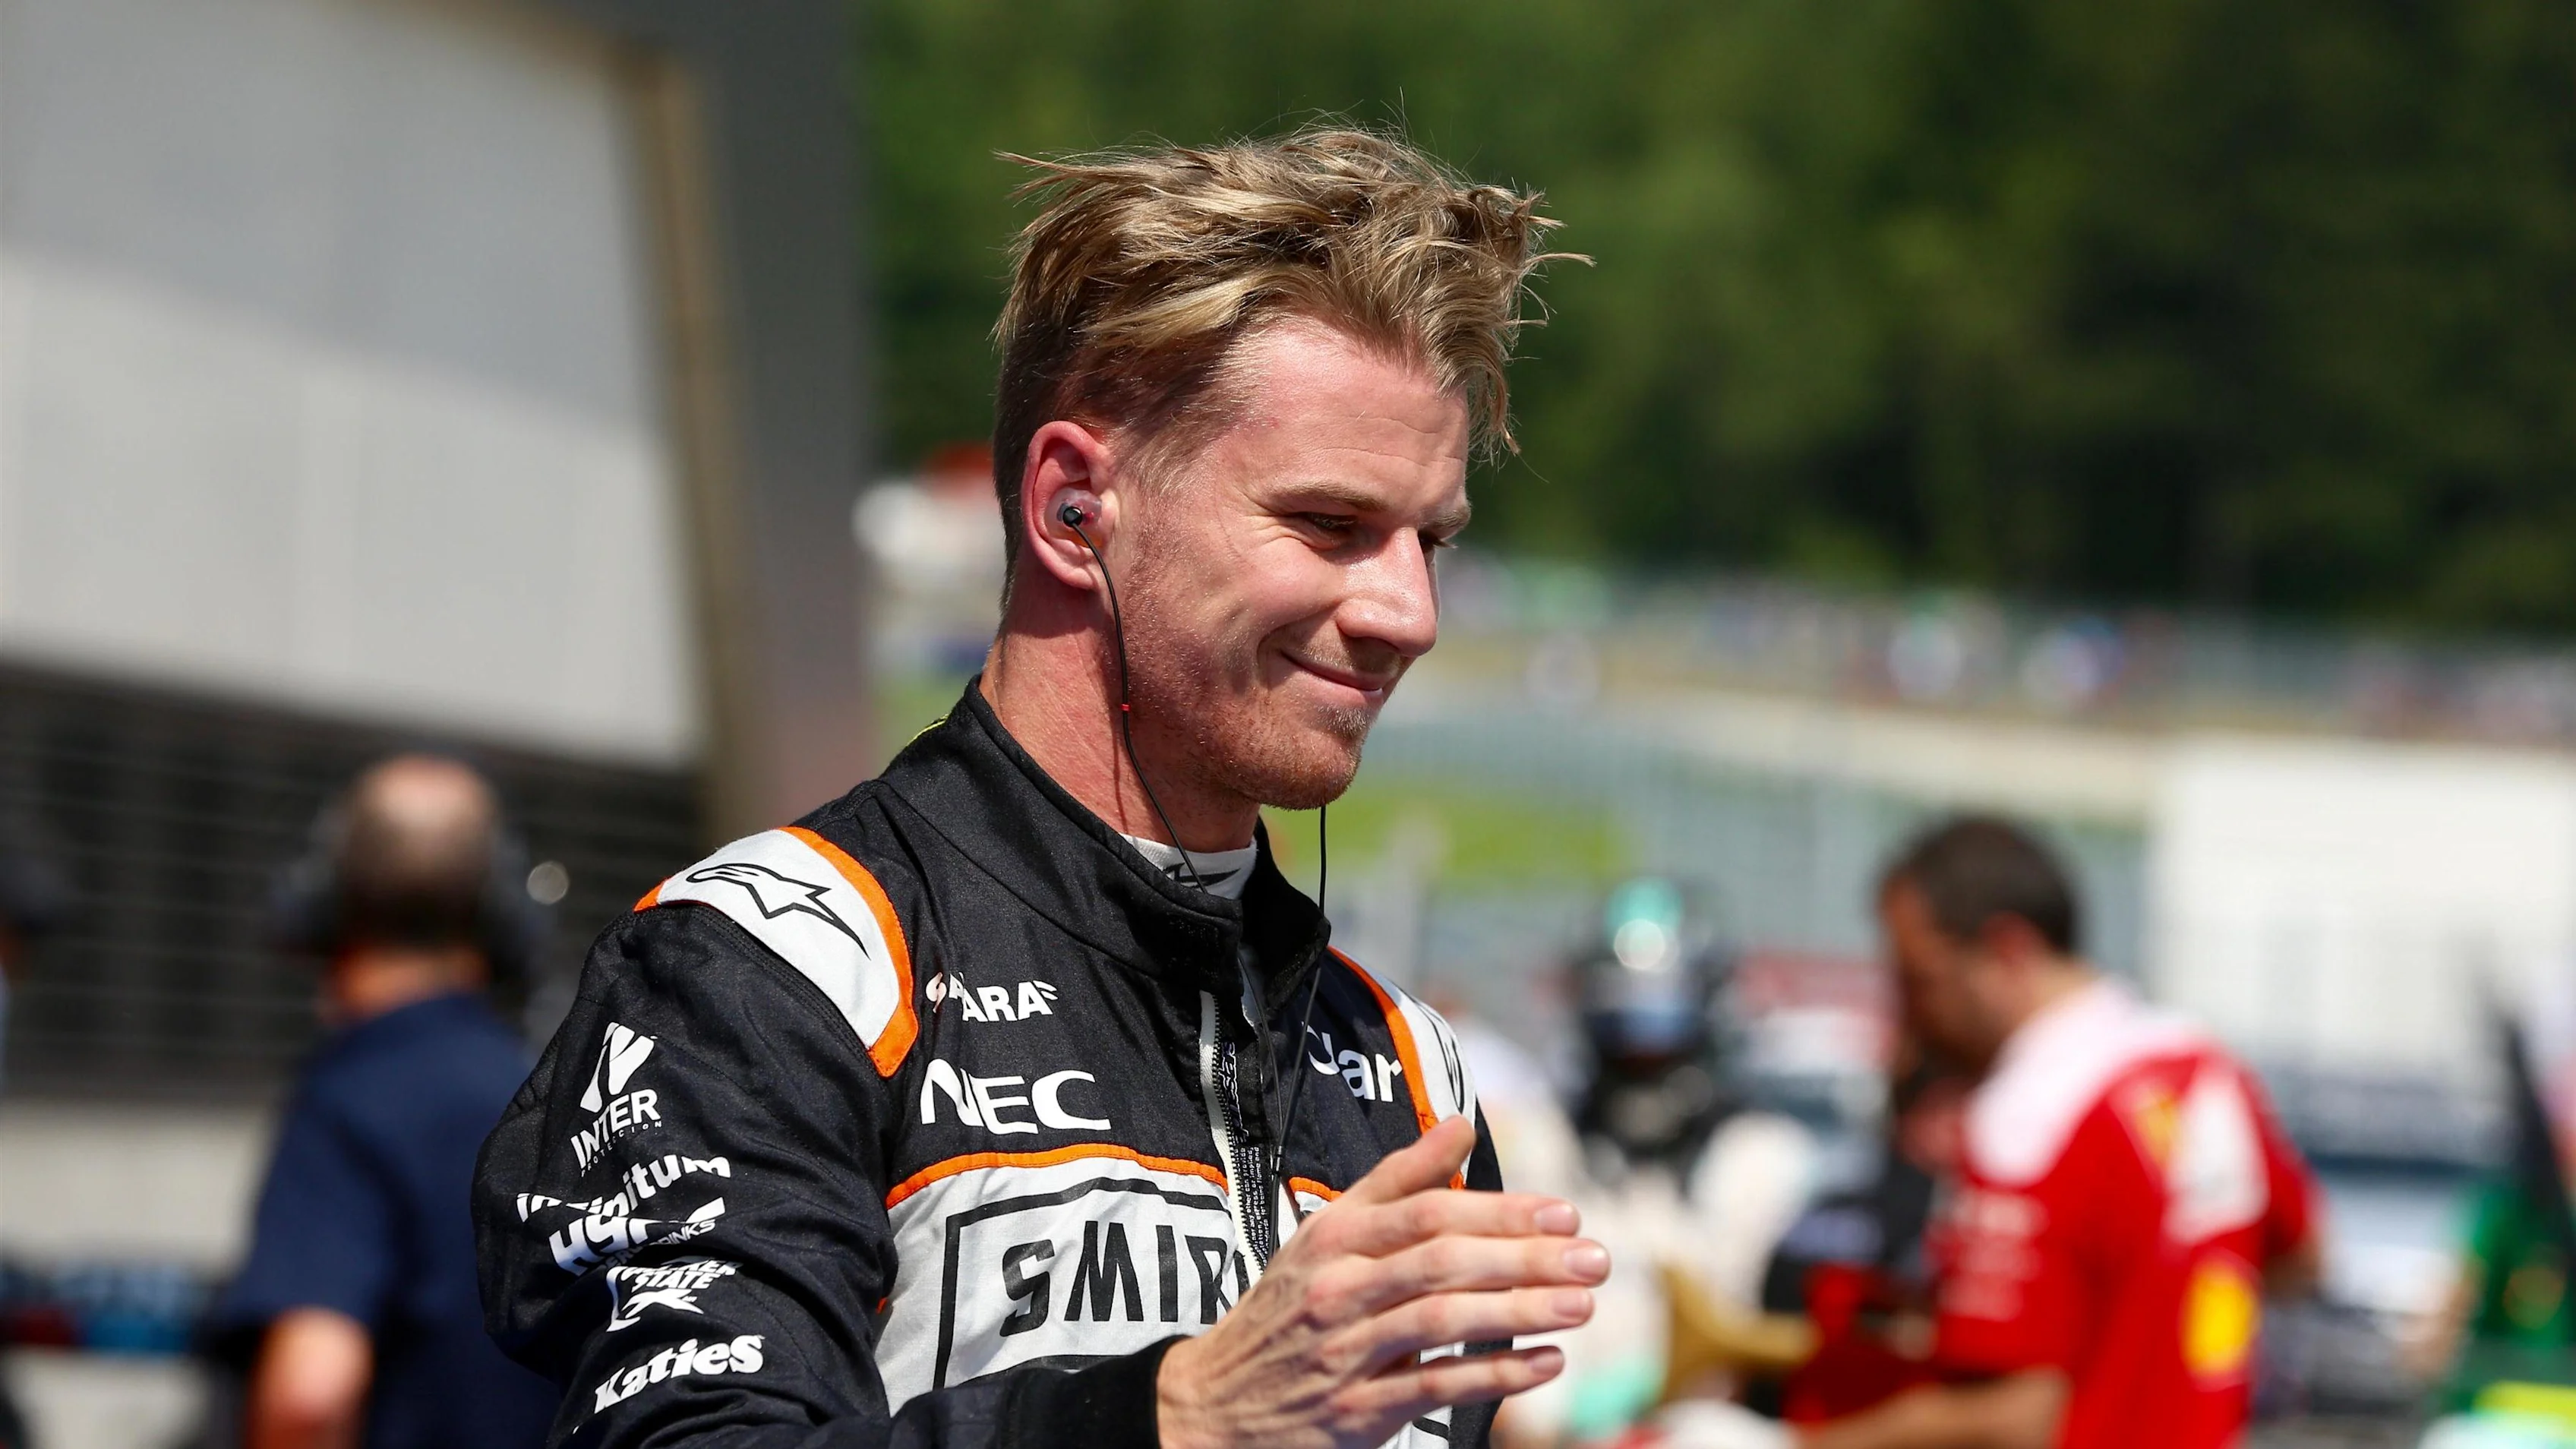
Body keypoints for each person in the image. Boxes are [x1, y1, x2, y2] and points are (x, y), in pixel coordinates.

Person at [473, 127, 1602, 1449]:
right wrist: (1171, 1412)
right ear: (1074, 507)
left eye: (1432, 540)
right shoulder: (776, 962)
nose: (1406, 610)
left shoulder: (1407, 1068)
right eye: (1329, 526)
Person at [1685, 816, 2323, 1449]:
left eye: (1920, 979)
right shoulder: (2207, 1072)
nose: (1909, 1013)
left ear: (2007, 950)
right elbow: (2301, 1260)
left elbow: (2014, 1416)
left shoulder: (2027, 1121)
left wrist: (1783, 1447)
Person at [210, 756, 558, 1449]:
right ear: (502, 911)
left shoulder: (350, 1099)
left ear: (321, 896)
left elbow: (310, 1395)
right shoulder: (546, 1095)